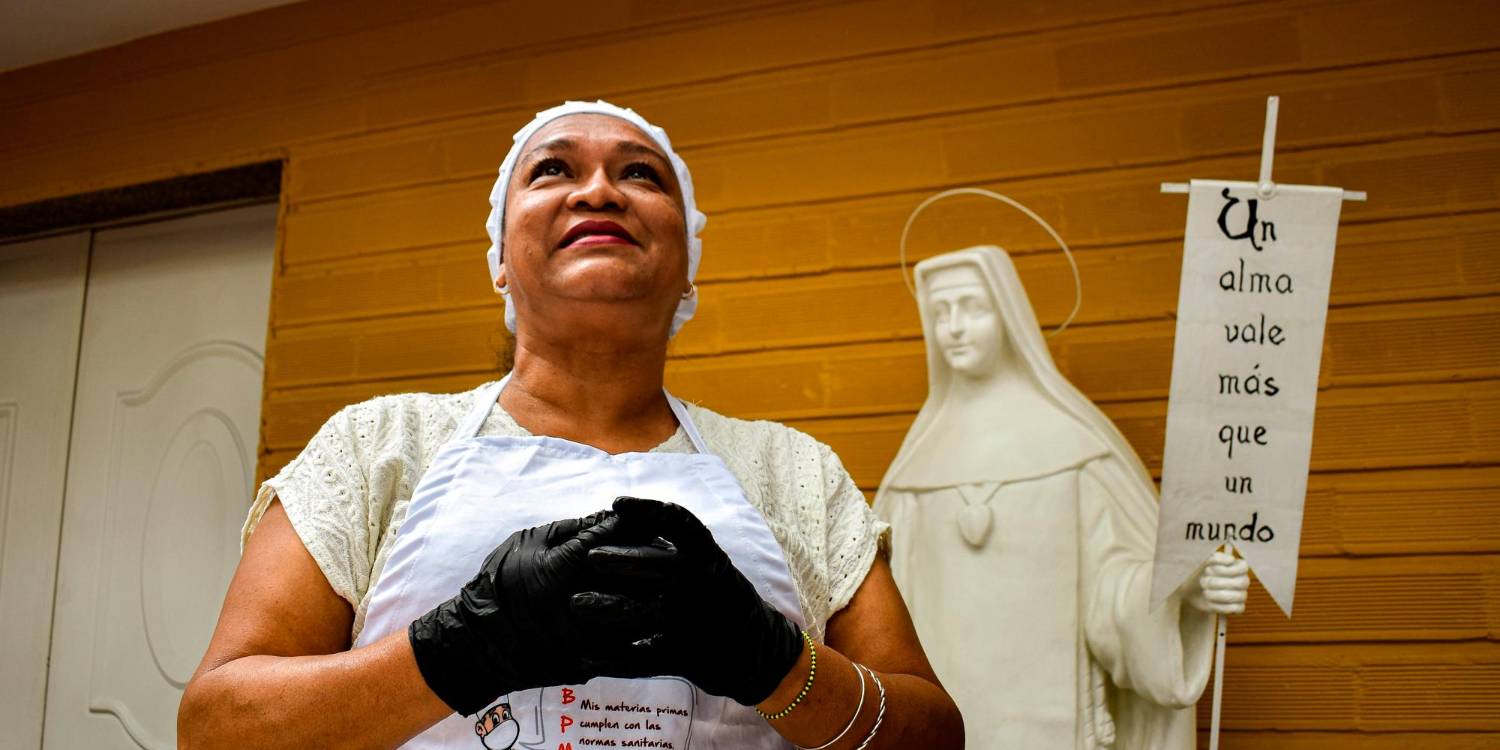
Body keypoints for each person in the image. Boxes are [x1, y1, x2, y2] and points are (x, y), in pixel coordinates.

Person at [178, 100, 964, 750]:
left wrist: (774, 664)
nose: (599, 192)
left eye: (640, 174)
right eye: (554, 169)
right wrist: (457, 648)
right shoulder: (375, 446)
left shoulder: (793, 471)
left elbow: (932, 737)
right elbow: (215, 727)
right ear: (498, 255)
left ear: (688, 262)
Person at [873, 246, 1249, 749]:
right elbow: (883, 609)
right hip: (948, 718)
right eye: (941, 313)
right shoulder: (915, 467)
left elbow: (1114, 590)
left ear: (1007, 316)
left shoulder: (1076, 449)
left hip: (1054, 720)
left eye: (972, 307)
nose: (955, 327)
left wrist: (1185, 589)